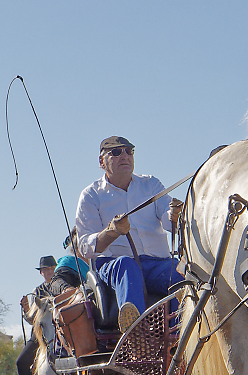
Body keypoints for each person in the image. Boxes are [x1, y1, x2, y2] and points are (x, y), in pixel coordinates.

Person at [75, 136, 183, 331]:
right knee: (127, 265)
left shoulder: (151, 185)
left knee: (180, 272)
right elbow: (84, 246)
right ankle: (135, 334)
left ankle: (180, 338)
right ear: (102, 161)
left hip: (158, 264)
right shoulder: (91, 195)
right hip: (114, 265)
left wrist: (175, 216)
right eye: (116, 152)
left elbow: (169, 222)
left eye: (129, 151)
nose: (124, 156)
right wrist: (111, 232)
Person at [15, 256, 57, 375]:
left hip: (62, 331)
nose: (49, 271)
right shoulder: (36, 291)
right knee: (21, 362)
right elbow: (32, 320)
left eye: (52, 268)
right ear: (41, 273)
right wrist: (27, 309)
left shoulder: (64, 286)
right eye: (46, 269)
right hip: (41, 334)